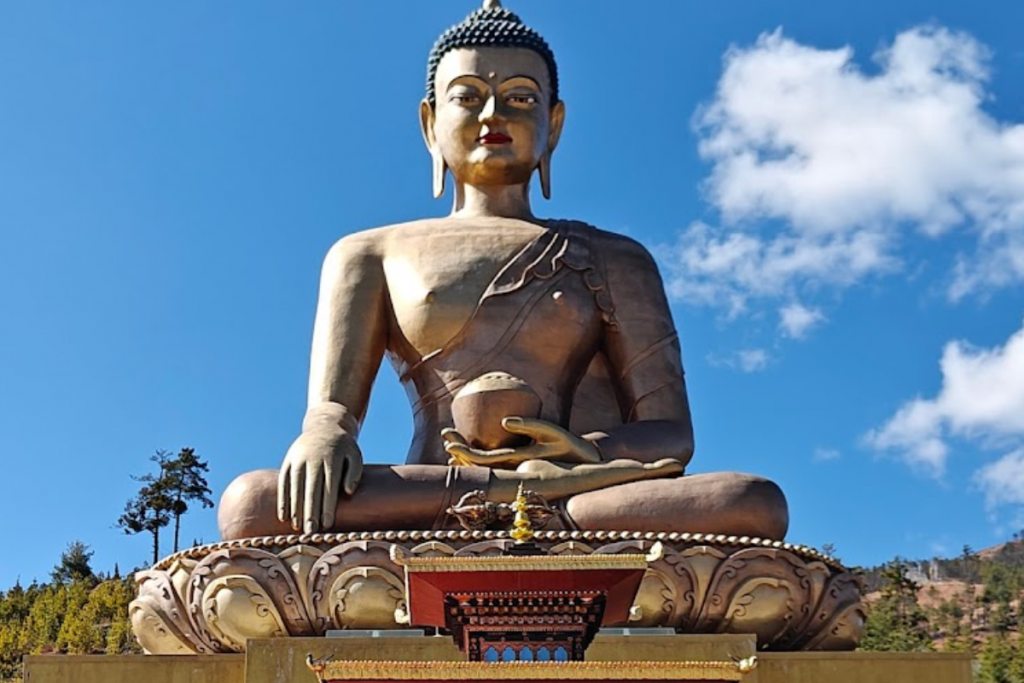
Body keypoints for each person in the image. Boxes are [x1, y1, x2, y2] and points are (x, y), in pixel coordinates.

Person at [217, 0, 788, 542]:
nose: (494, 115)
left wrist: (578, 453)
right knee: (253, 504)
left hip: (580, 492)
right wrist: (324, 435)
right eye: (468, 97)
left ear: (553, 124)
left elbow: (670, 433)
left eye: (520, 98)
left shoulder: (614, 256)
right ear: (429, 122)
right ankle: (508, 496)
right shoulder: (369, 254)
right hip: (440, 488)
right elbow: (332, 410)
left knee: (751, 501)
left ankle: (523, 501)